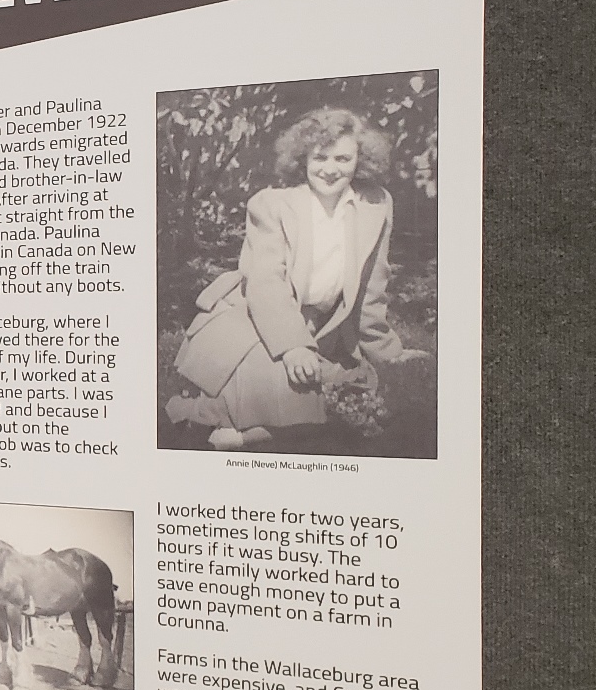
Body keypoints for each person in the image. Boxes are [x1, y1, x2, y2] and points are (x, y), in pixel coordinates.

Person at [166, 108, 427, 450]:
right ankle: (224, 429)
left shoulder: (375, 205)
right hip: (255, 315)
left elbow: (372, 286)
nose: (330, 169)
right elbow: (265, 282)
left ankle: (242, 436)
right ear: (303, 158)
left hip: (317, 325)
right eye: (320, 157)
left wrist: (386, 351)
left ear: (360, 160)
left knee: (317, 395)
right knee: (280, 384)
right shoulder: (272, 205)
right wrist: (292, 347)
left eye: (343, 158)